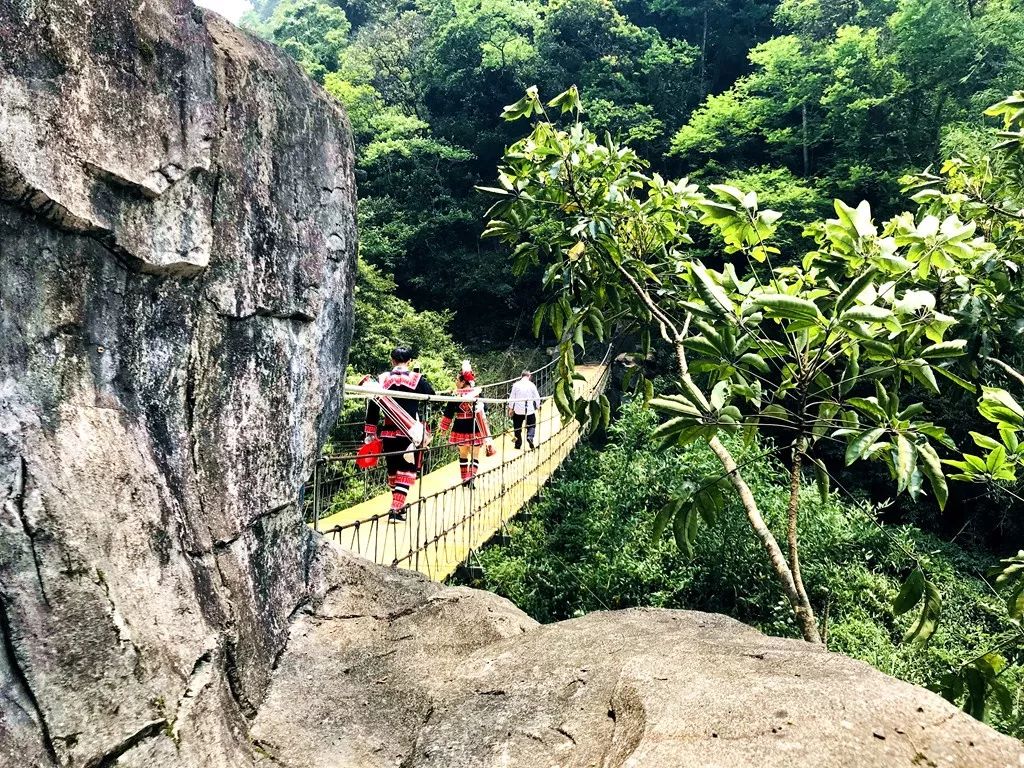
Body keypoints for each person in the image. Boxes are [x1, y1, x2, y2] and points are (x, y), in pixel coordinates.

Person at [364, 347, 434, 521]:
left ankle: (399, 507)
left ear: (392, 360)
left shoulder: (382, 379)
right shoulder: (417, 379)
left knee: (393, 469)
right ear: (409, 361)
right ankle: (395, 509)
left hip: (388, 432)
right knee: (407, 469)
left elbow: (374, 406)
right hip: (409, 432)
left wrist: (370, 432)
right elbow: (431, 395)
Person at [438, 361, 489, 488]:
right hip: (474, 426)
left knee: (463, 454)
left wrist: (444, 428)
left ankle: (464, 478)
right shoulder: (477, 393)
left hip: (460, 427)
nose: (455, 382)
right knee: (475, 455)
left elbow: (448, 413)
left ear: (462, 382)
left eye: (457, 380)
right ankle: (471, 477)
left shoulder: (456, 394)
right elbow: (485, 408)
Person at [508, 369, 541, 450]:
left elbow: (512, 398)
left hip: (518, 411)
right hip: (529, 411)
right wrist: (538, 406)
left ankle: (518, 445)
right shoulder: (532, 385)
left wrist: (511, 409)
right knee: (532, 425)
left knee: (517, 428)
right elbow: (537, 397)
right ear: (529, 376)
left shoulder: (516, 385)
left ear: (521, 376)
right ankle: (530, 437)